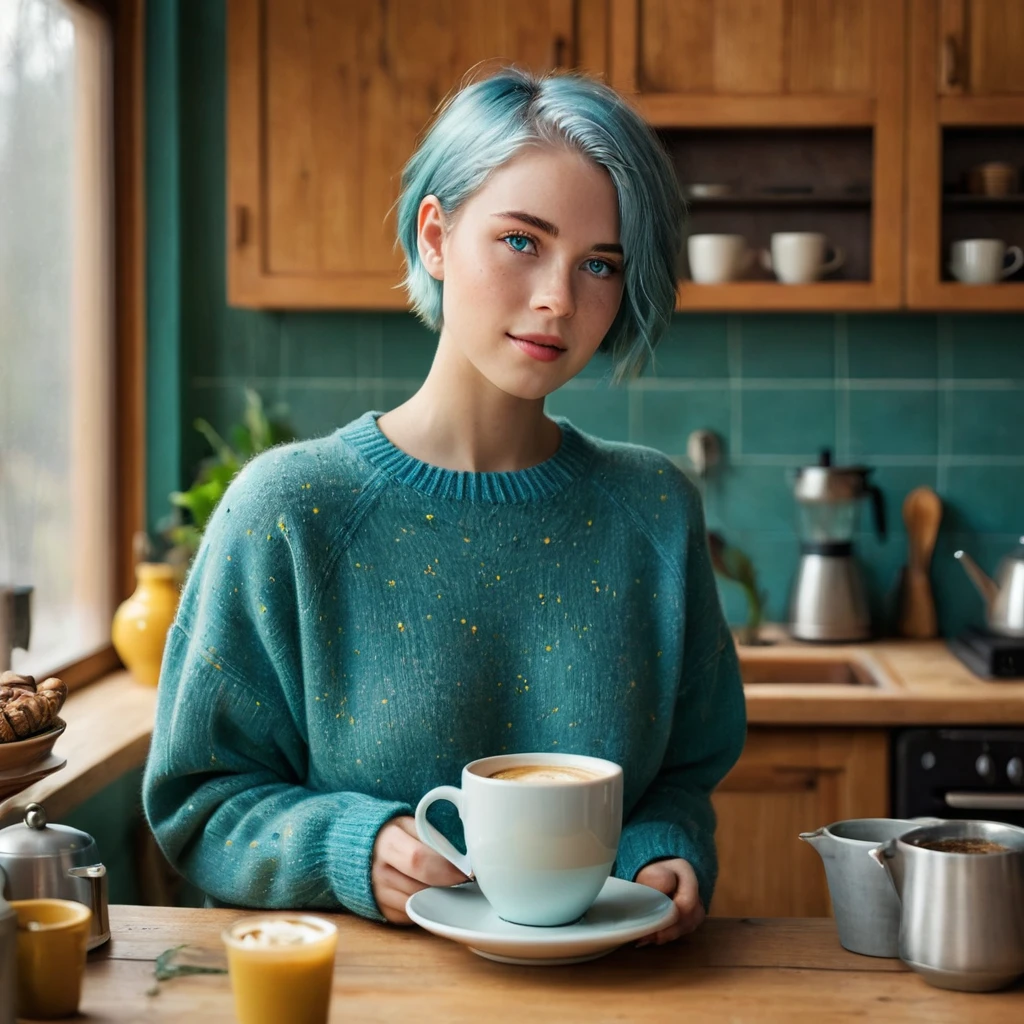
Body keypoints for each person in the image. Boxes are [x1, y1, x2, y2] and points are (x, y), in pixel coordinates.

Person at [143, 65, 746, 946]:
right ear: (435, 234)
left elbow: (681, 776)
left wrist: (664, 849)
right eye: (520, 242)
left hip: (607, 998)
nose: (557, 299)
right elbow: (201, 800)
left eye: (600, 264)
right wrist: (350, 847)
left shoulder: (655, 511)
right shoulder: (289, 509)